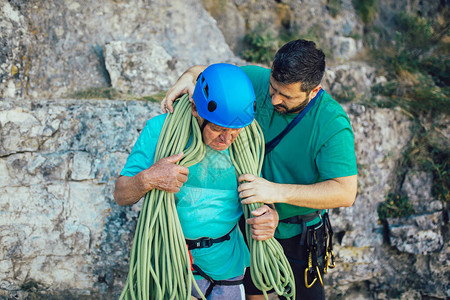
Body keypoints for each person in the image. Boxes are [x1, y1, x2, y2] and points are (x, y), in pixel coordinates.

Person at [161, 39, 358, 300]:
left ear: (313, 91)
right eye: (273, 88)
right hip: (250, 224)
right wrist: (186, 78)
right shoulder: (256, 80)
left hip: (298, 234)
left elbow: (345, 192)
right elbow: (210, 75)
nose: (274, 98)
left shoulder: (332, 123)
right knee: (254, 294)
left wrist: (274, 192)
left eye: (286, 96)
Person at [114, 63, 278, 300]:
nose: (227, 139)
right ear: (195, 109)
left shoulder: (249, 141)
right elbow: (121, 194)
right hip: (170, 264)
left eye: (235, 131)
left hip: (227, 268)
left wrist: (270, 216)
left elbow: (259, 194)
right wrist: (149, 178)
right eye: (217, 128)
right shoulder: (159, 131)